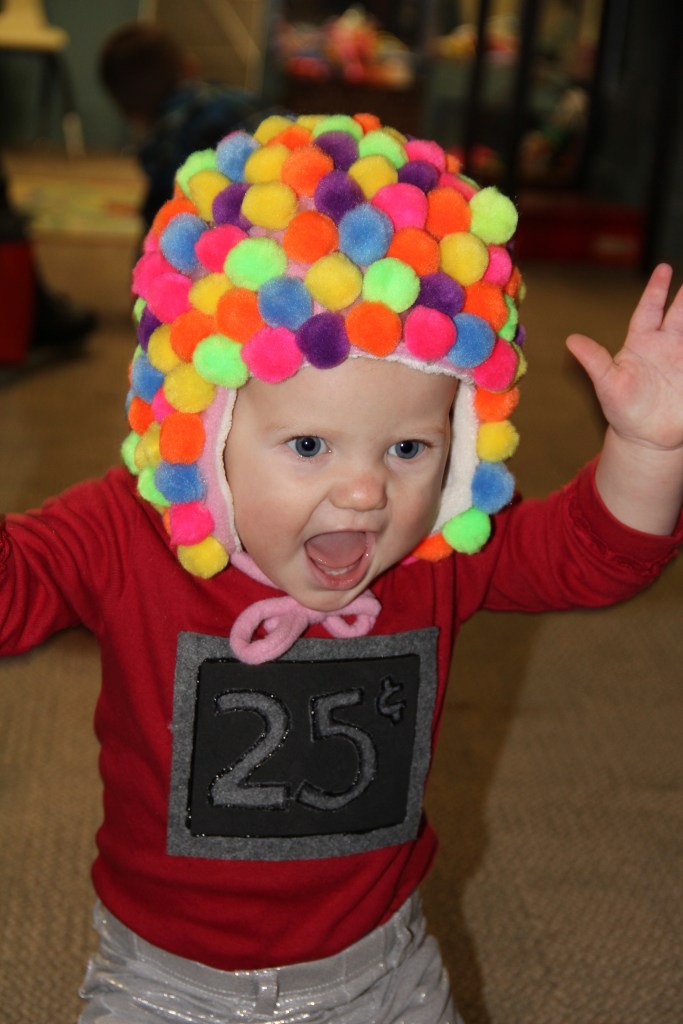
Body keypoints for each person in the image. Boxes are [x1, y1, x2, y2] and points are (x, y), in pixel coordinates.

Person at [1, 110, 682, 1023]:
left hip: (380, 974)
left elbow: (591, 557)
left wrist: (647, 449)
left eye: (408, 448)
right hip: (163, 981)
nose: (365, 493)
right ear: (204, 433)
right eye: (309, 445)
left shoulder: (438, 549)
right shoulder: (123, 534)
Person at [99, 21, 260, 231]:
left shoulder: (165, 144)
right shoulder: (234, 95)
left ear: (130, 114)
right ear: (191, 66)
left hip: (246, 221)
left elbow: (160, 222)